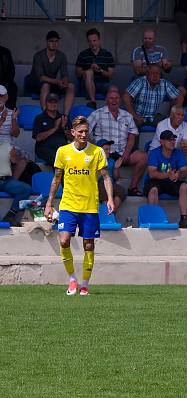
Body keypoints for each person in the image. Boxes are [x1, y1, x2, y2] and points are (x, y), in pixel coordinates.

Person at [44, 116, 114, 296]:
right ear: (73, 132)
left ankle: (84, 284)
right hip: (68, 204)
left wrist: (110, 199)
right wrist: (49, 204)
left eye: (86, 131)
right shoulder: (63, 152)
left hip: (89, 206)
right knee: (64, 240)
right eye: (80, 131)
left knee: (88, 245)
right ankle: (72, 279)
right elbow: (56, 178)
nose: (84, 134)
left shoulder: (97, 152)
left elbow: (106, 177)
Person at [87, 87, 148, 196]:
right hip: (104, 154)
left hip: (123, 154)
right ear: (106, 100)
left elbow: (132, 136)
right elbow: (85, 132)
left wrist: (127, 153)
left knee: (143, 157)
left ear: (120, 100)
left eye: (116, 98)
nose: (114, 101)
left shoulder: (127, 116)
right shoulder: (97, 114)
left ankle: (132, 187)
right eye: (111, 98)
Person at [146, 130, 187, 229]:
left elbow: (185, 171)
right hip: (157, 181)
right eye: (169, 140)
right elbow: (152, 174)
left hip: (172, 181)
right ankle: (154, 219)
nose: (172, 142)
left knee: (184, 186)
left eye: (173, 139)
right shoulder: (154, 153)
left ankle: (184, 219)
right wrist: (168, 175)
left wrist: (178, 175)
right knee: (153, 190)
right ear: (161, 142)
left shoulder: (178, 153)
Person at [27, 30, 75, 114]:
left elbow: (64, 73)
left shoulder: (61, 56)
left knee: (71, 86)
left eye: (56, 41)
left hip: (52, 83)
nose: (54, 43)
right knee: (46, 85)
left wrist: (65, 81)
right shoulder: (38, 56)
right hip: (37, 84)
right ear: (47, 42)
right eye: (51, 41)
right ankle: (45, 114)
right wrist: (57, 81)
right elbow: (41, 77)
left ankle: (65, 115)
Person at [149, 106, 187, 190]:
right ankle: (166, 178)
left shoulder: (186, 125)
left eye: (182, 115)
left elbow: (186, 144)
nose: (181, 117)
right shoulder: (162, 124)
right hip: (159, 152)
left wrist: (185, 147)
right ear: (171, 114)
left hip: (175, 152)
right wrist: (181, 145)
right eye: (178, 114)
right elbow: (165, 145)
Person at [75, 28, 115, 109]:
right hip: (87, 85)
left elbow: (111, 75)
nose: (92, 43)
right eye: (90, 41)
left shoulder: (107, 54)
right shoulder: (83, 54)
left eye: (94, 40)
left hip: (103, 84)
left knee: (114, 89)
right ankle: (93, 102)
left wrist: (100, 70)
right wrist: (88, 70)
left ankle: (113, 112)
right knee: (89, 72)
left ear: (99, 40)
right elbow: (77, 73)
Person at [0, 85, 32, 180]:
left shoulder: (11, 112)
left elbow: (16, 134)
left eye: (1, 96)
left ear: (6, 97)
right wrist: (2, 120)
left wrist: (13, 119)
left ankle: (12, 182)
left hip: (8, 144)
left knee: (24, 158)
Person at [32, 93, 71, 167]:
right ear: (46, 103)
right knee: (57, 159)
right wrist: (55, 128)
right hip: (45, 148)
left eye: (55, 102)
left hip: (62, 147)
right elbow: (38, 138)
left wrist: (64, 128)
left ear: (58, 103)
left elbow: (73, 138)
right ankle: (61, 178)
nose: (53, 104)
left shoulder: (64, 118)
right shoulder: (39, 118)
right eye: (50, 102)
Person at [96, 139, 126, 212]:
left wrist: (116, 168)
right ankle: (108, 215)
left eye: (109, 149)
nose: (108, 151)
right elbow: (95, 178)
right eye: (106, 149)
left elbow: (116, 177)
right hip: (100, 184)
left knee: (121, 191)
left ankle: (111, 213)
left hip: (112, 184)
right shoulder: (95, 161)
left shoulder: (111, 161)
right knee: (103, 191)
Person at [0, 43, 17, 109]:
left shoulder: (5, 52)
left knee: (12, 88)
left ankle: (9, 115)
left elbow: (11, 71)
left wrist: (2, 86)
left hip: (5, 82)